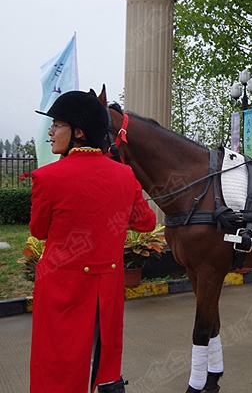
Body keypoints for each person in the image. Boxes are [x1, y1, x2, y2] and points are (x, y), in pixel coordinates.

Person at [30, 90, 156, 393]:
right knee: (105, 363)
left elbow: (38, 230)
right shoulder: (125, 176)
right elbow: (146, 222)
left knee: (58, 367)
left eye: (56, 124)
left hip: (61, 289)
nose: (50, 132)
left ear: (78, 131)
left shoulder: (47, 178)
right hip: (106, 291)